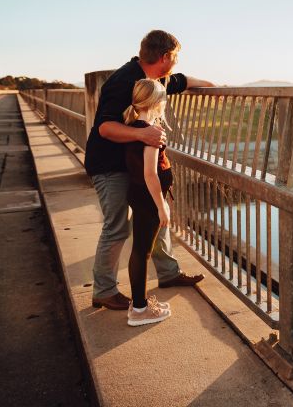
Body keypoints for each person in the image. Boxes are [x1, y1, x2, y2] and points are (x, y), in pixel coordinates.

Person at [85, 30, 214, 310]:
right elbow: (105, 128)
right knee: (116, 227)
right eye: (176, 57)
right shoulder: (123, 81)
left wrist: (213, 87)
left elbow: (181, 81)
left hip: (130, 164)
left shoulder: (154, 79)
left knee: (155, 215)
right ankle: (104, 290)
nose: (177, 63)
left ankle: (168, 274)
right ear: (165, 57)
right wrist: (143, 136)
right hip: (110, 165)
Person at [123, 79, 174, 325]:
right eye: (163, 99)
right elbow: (150, 173)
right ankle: (140, 311)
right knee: (142, 251)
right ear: (156, 102)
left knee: (140, 248)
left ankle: (139, 303)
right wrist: (161, 206)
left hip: (138, 193)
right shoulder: (152, 131)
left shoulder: (134, 125)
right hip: (147, 197)